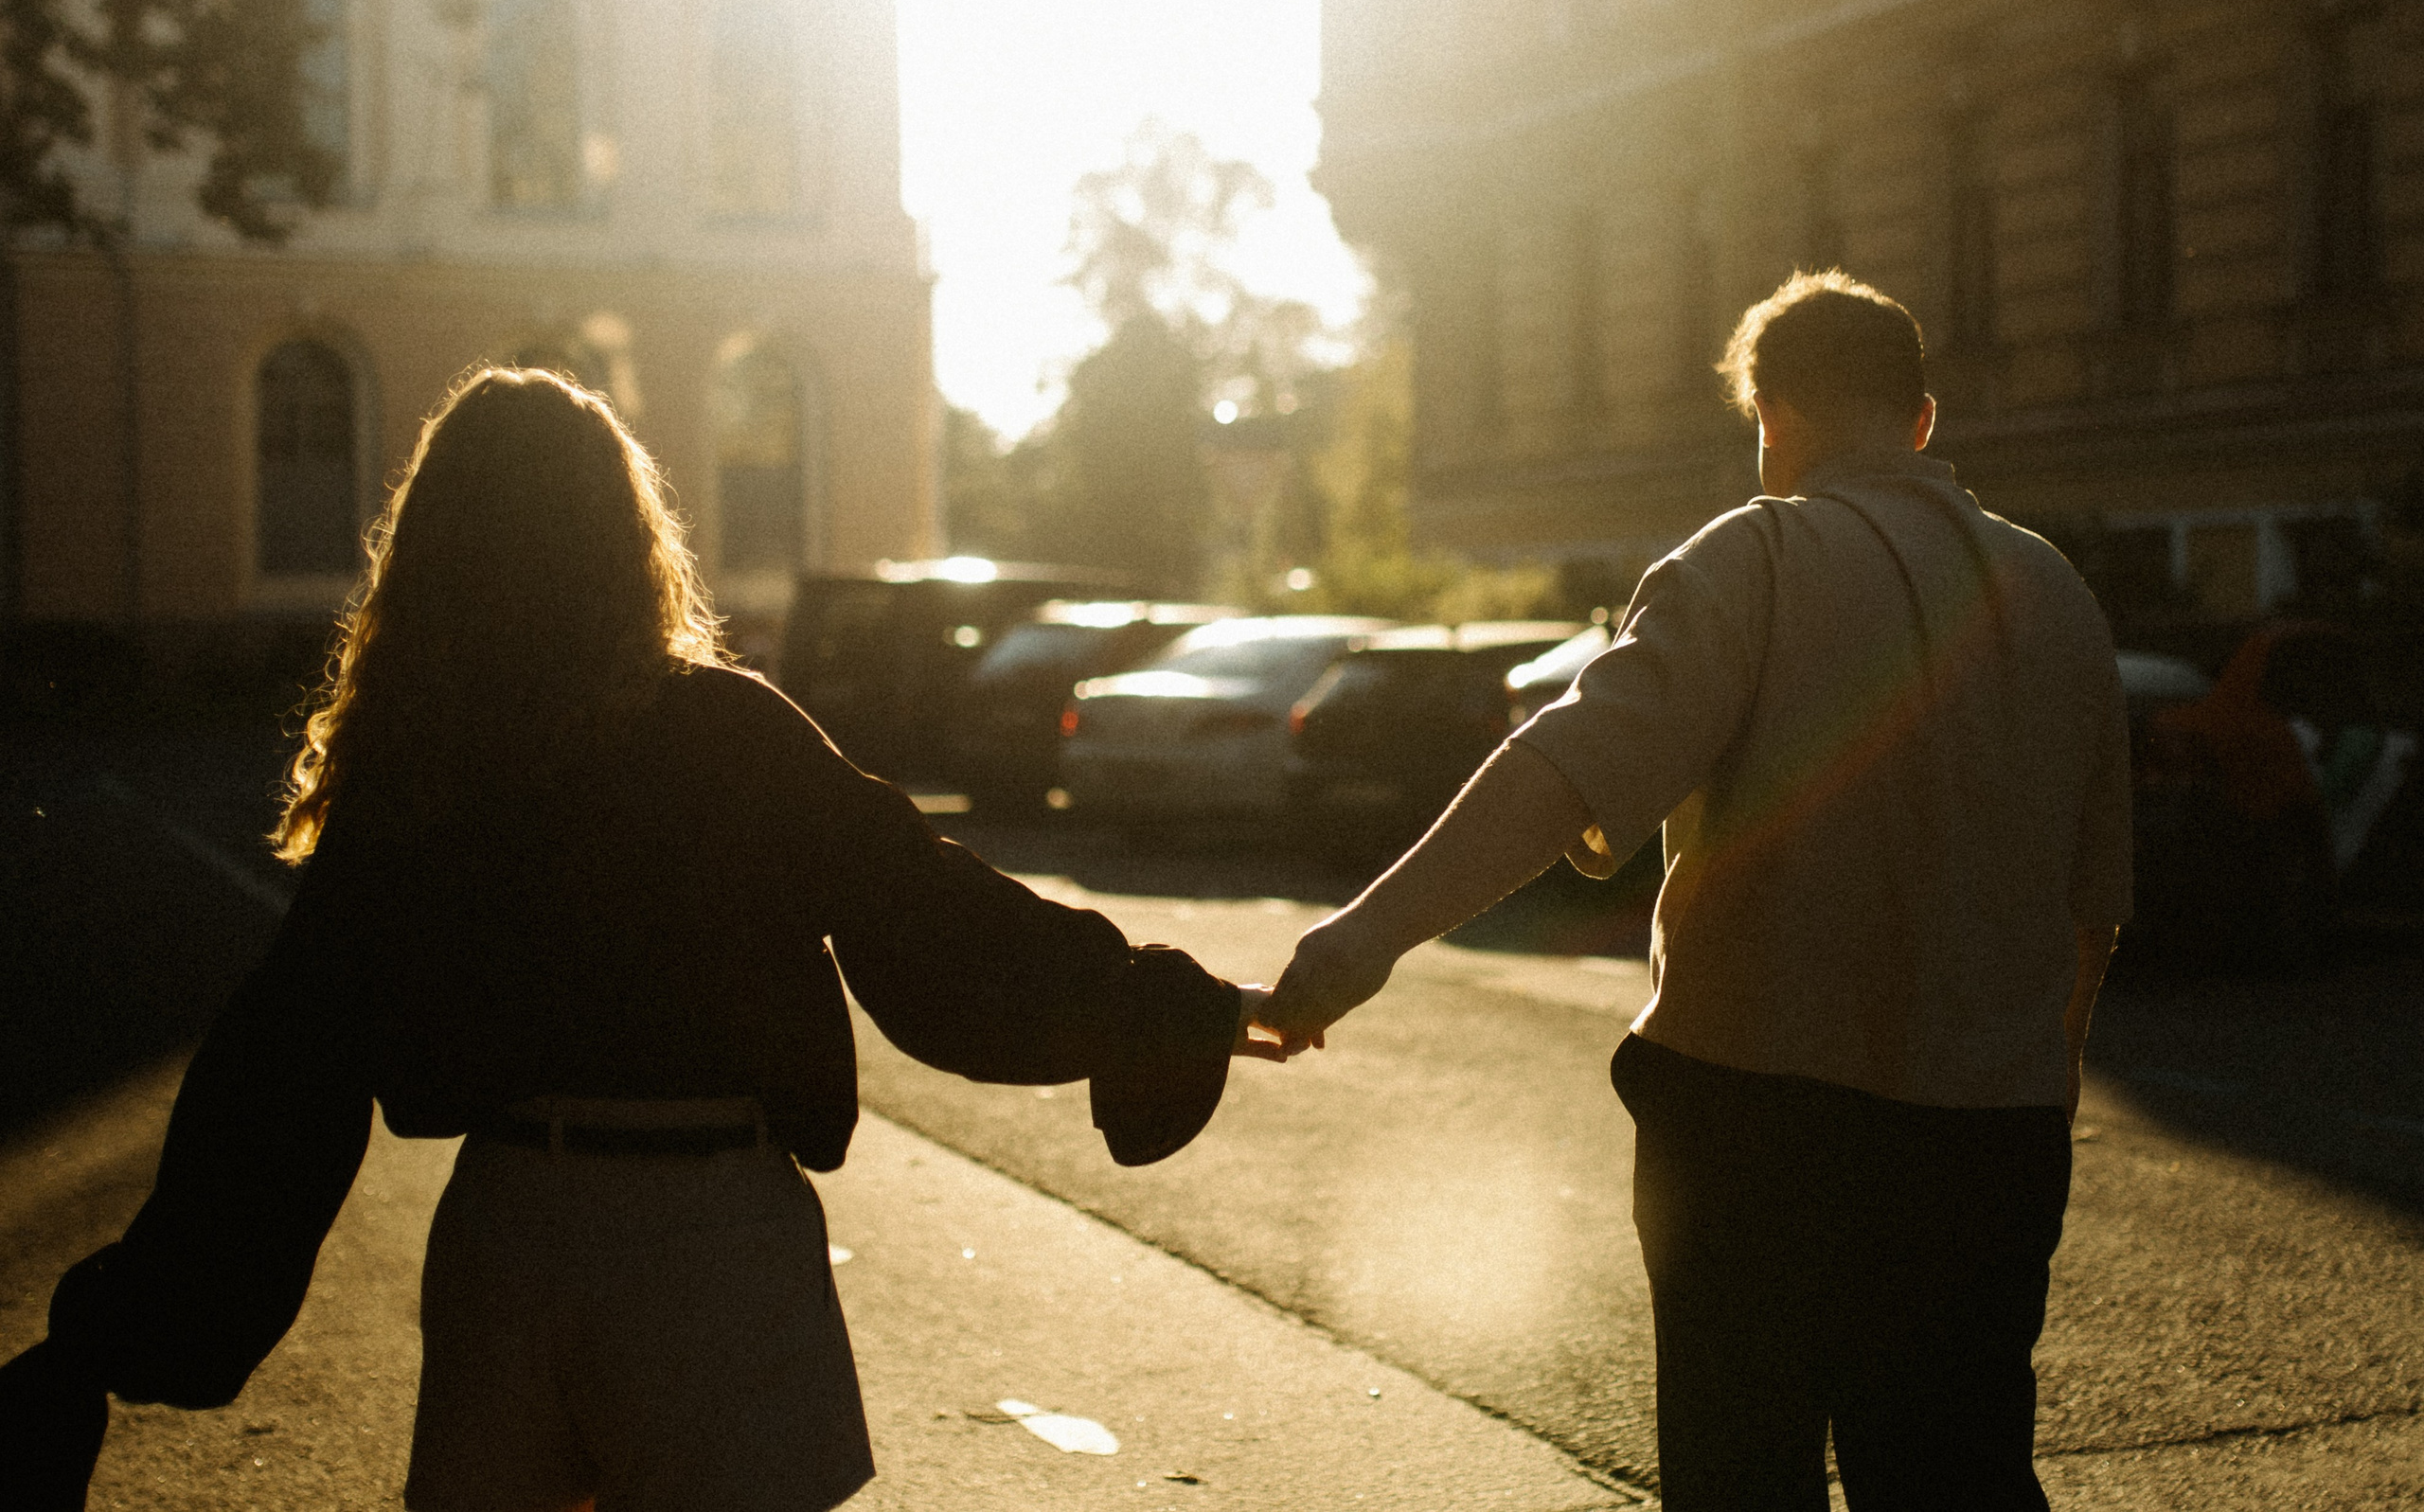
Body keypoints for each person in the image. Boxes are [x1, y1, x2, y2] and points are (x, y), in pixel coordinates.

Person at [0, 367, 1277, 1512]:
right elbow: (932, 915)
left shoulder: (421, 769)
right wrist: (1161, 1008)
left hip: (512, 1231)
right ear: (625, 537)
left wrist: (120, 1331)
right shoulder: (728, 732)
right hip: (713, 1236)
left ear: (435, 550)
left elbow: (286, 1071)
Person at [1260, 272, 2130, 1510]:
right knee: (1960, 1479)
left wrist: (1362, 942)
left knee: (1742, 1475)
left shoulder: (1758, 557)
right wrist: (2031, 1100)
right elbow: (2092, 918)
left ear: (1770, 417)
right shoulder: (2057, 597)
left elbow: (1559, 769)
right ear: (1923, 418)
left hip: (1757, 1124)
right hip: (1988, 1139)